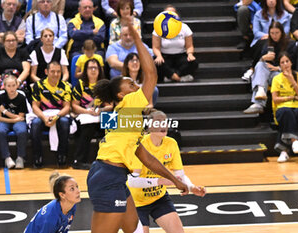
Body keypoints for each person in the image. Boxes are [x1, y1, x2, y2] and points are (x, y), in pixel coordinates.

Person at [87, 18, 189, 233]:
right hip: (108, 174)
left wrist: (175, 180)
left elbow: (148, 159)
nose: (136, 86)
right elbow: (151, 74)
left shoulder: (128, 120)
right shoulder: (129, 103)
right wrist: (137, 38)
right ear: (121, 94)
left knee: (132, 225)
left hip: (109, 174)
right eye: (131, 84)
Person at [128, 110, 206, 233]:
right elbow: (132, 181)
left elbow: (180, 176)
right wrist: (160, 181)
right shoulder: (140, 144)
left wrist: (191, 187)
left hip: (158, 199)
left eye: (164, 122)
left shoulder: (171, 143)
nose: (163, 125)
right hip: (134, 203)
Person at [243, 21, 296, 114]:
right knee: (260, 64)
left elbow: (294, 64)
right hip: (268, 72)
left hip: (282, 73)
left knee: (263, 74)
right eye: (272, 33)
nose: (274, 36)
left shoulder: (290, 44)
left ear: (282, 32)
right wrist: (263, 58)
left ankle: (258, 102)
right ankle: (260, 90)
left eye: (277, 33)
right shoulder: (267, 43)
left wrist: (279, 68)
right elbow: (259, 63)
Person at [31, 61, 71, 168]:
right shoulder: (38, 85)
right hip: (43, 114)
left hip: (59, 114)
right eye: (52, 71)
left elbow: (67, 107)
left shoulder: (65, 86)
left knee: (64, 123)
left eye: (58, 72)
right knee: (35, 124)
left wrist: (56, 117)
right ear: (46, 72)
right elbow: (35, 106)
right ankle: (37, 157)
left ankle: (62, 156)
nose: (56, 74)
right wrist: (44, 118)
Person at [72, 58, 110, 170]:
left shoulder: (105, 85)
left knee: (113, 124)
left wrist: (101, 110)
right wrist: (87, 111)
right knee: (88, 127)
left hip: (100, 114)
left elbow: (110, 105)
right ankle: (79, 160)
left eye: (95, 67)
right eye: (90, 68)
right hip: (85, 114)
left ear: (99, 70)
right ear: (85, 70)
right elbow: (74, 106)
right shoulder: (80, 85)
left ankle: (111, 159)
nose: (93, 70)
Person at [241, 0, 291, 81]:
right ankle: (252, 69)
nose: (271, 1)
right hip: (261, 41)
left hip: (279, 41)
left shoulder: (285, 14)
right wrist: (269, 36)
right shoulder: (258, 14)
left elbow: (286, 31)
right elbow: (256, 31)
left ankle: (252, 69)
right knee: (265, 42)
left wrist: (273, 36)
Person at [271, 52, 298, 162]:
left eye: (287, 61)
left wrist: (292, 81)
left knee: (294, 114)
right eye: (282, 62)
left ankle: (284, 151)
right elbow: (275, 99)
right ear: (280, 65)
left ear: (291, 63)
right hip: (282, 108)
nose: (285, 64)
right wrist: (290, 97)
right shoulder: (276, 79)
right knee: (286, 112)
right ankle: (294, 141)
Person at [152, 5, 198, 83]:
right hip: (165, 57)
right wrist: (159, 56)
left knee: (193, 63)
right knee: (156, 63)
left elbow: (189, 46)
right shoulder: (158, 28)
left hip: (180, 56)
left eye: (173, 13)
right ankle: (180, 78)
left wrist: (190, 54)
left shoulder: (184, 27)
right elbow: (155, 47)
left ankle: (171, 77)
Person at [0, 75, 28, 169]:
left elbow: (21, 117)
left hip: (17, 121)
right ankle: (7, 158)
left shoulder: (21, 97)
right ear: (4, 86)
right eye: (8, 86)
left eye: (13, 85)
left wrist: (5, 111)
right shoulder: (0, 97)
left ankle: (20, 157)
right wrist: (13, 119)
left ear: (17, 85)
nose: (11, 88)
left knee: (22, 131)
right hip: (4, 121)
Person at [0, 31, 31, 98]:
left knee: (25, 94)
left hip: (18, 81)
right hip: (1, 81)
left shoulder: (22, 51)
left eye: (13, 40)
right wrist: (1, 79)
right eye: (8, 41)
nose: (11, 42)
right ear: (3, 42)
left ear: (17, 41)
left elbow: (26, 70)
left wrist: (18, 82)